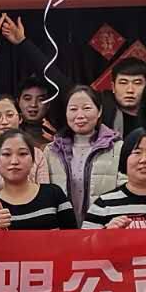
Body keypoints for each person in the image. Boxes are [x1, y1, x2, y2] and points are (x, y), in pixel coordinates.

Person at [46, 85, 122, 226]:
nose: (80, 115)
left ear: (99, 111)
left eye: (87, 108)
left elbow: (124, 190)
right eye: (73, 109)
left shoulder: (117, 148)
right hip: (61, 231)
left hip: (105, 227)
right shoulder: (51, 151)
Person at [0, 130, 76, 231]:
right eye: (6, 154)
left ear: (33, 161)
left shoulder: (54, 194)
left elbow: (74, 237)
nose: (14, 161)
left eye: (22, 153)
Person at [107, 56, 146, 138]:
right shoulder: (103, 116)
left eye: (137, 83)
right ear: (113, 87)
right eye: (123, 83)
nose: (130, 90)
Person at [16, 74, 54, 145]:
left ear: (48, 104)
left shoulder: (58, 135)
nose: (33, 104)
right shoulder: (10, 130)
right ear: (18, 102)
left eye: (40, 99)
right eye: (27, 99)